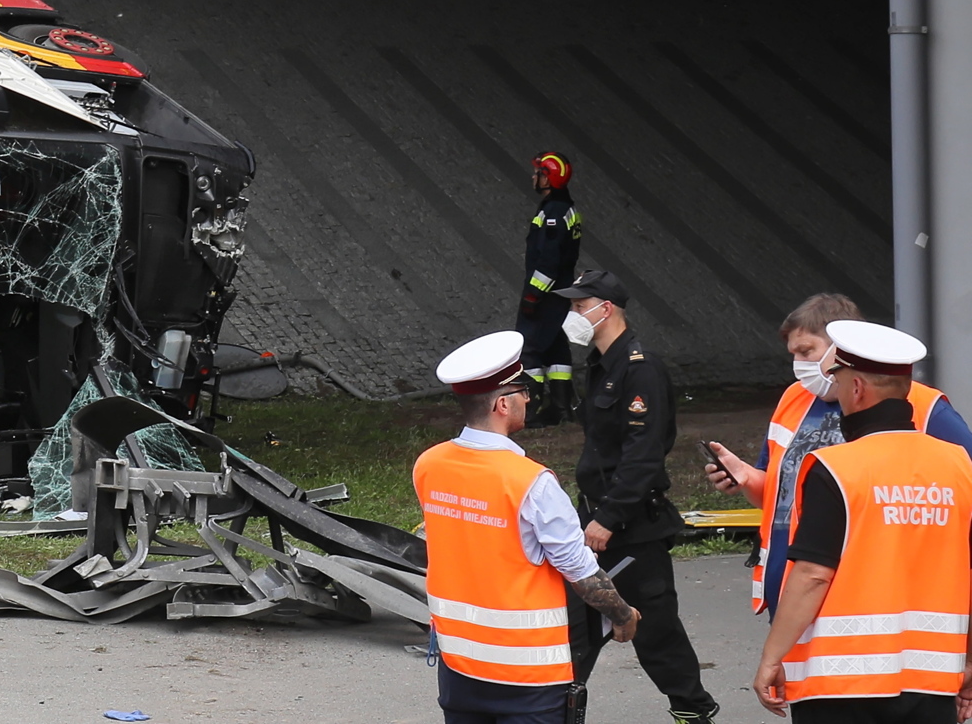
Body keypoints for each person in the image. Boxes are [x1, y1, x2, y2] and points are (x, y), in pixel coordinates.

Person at [754, 319, 972, 721]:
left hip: (840, 683)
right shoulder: (958, 466)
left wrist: (772, 654)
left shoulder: (836, 467)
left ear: (856, 388)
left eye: (838, 382)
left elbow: (813, 575)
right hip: (933, 679)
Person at [415, 330, 637, 724]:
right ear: (502, 404)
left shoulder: (430, 464)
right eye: (523, 391)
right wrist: (622, 615)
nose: (530, 398)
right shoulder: (532, 482)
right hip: (529, 676)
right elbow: (580, 570)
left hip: (459, 663)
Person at [704, 291, 972, 617]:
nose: (799, 365)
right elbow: (781, 497)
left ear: (842, 348)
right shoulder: (794, 399)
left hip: (870, 590)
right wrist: (747, 479)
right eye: (793, 354)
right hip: (792, 586)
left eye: (806, 351)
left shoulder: (924, 406)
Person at [556, 268, 717, 724]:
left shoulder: (639, 369)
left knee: (654, 628)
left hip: (630, 525)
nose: (571, 315)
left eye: (577, 306)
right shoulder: (601, 365)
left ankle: (693, 711)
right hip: (595, 516)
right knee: (580, 624)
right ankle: (558, 710)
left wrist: (608, 518)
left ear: (604, 309)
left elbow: (643, 456)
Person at [516, 153, 582, 426]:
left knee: (529, 348)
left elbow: (550, 260)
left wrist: (534, 294)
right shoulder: (564, 207)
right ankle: (561, 408)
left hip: (546, 295)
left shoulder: (554, 212)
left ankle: (529, 411)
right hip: (560, 294)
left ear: (549, 178)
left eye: (539, 173)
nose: (533, 177)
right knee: (556, 349)